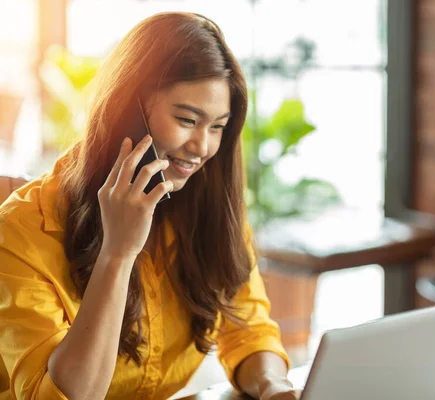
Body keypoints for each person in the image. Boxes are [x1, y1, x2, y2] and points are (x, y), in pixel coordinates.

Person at [0, 12, 300, 400]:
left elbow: (250, 329)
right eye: (187, 119)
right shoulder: (20, 231)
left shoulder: (205, 207)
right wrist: (118, 254)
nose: (203, 147)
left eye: (217, 126)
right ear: (129, 112)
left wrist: (274, 387)